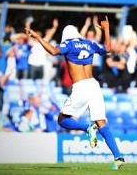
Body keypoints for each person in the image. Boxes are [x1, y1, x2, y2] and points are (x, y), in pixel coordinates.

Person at [25, 17, 125, 170]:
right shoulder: (89, 43)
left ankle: (87, 128)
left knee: (62, 119)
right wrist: (106, 29)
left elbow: (53, 51)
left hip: (81, 87)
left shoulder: (69, 44)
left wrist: (38, 37)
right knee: (101, 122)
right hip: (94, 85)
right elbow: (108, 48)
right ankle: (118, 157)